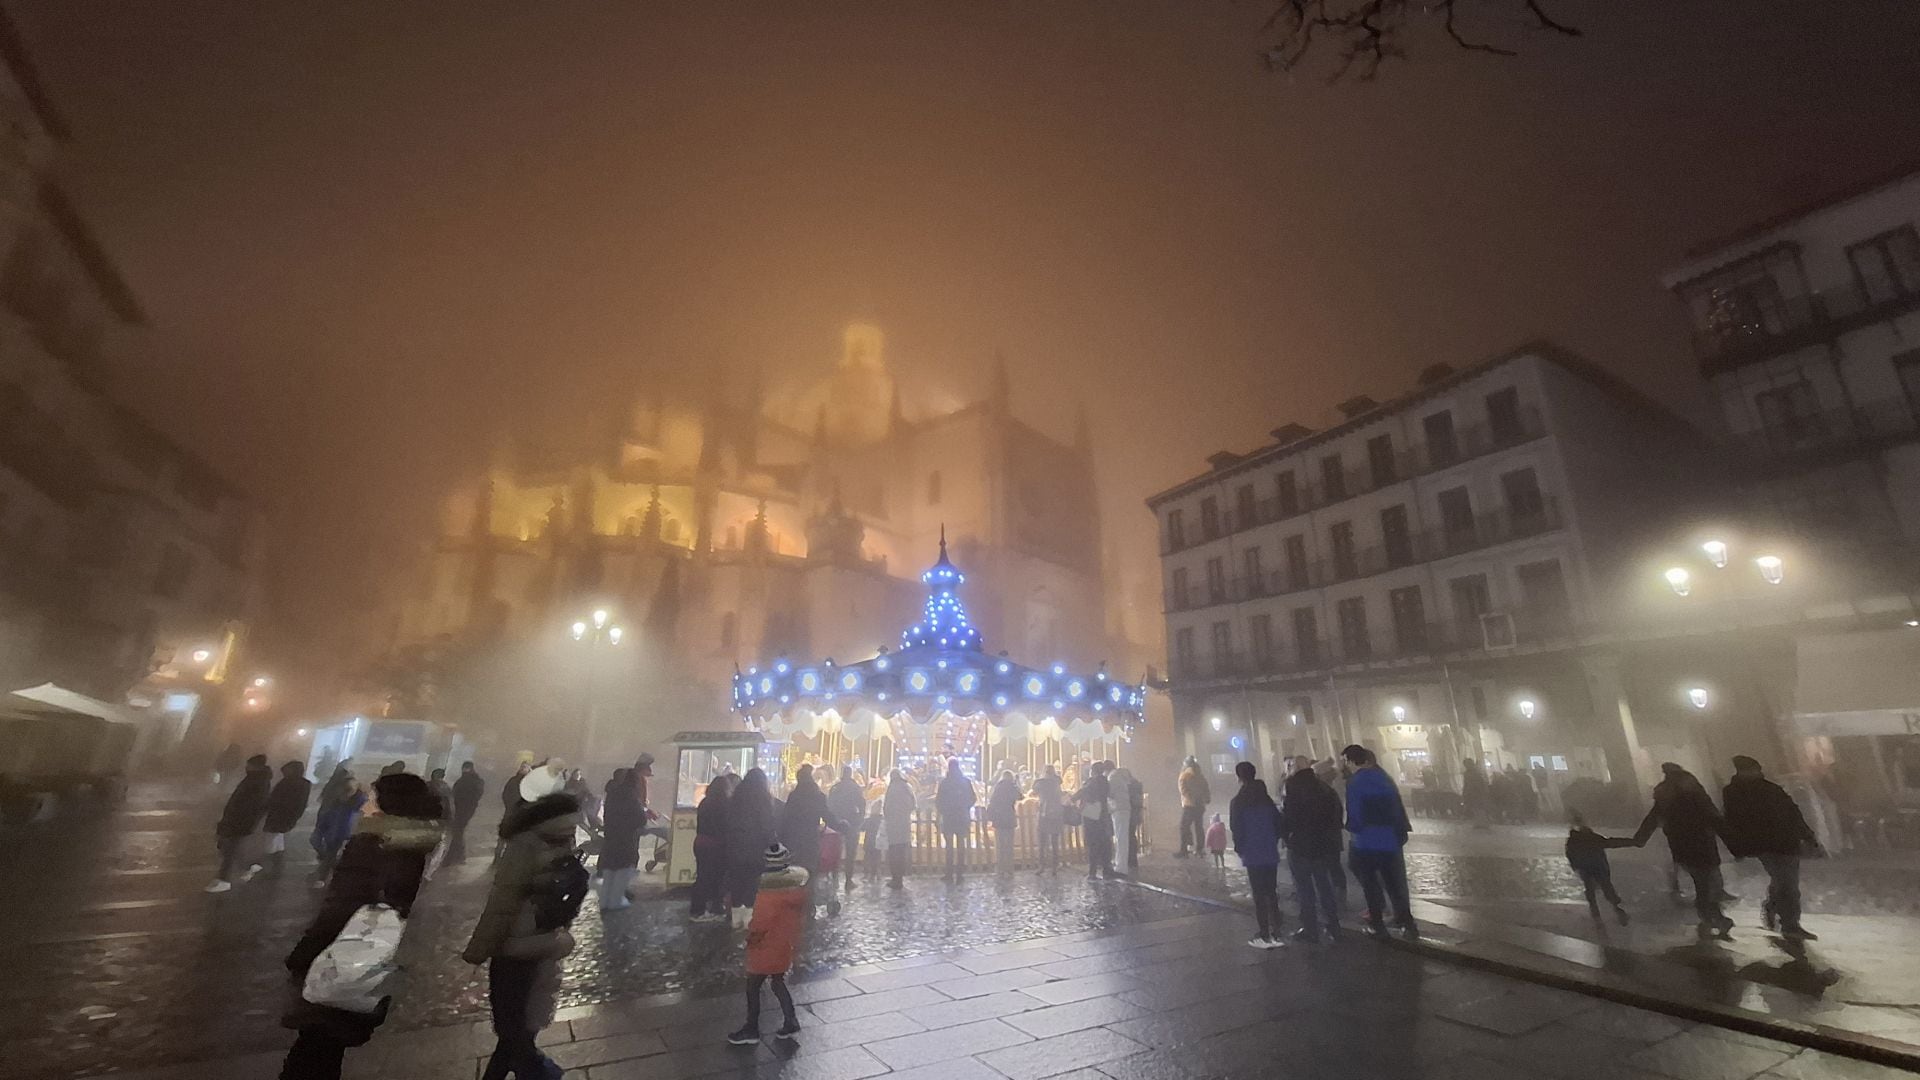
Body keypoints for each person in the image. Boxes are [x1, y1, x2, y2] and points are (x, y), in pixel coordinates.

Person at [279, 772, 444, 1080]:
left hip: (340, 955)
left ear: (387, 805)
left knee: (311, 1051)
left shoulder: (371, 844)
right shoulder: (411, 845)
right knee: (327, 1047)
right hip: (372, 957)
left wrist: (304, 954)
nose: (365, 805)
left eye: (371, 798)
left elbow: (339, 908)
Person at [463, 788, 586, 1080]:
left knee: (512, 1027)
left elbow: (503, 903)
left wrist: (478, 949)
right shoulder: (565, 839)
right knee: (520, 1028)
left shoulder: (525, 843)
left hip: (515, 943)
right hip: (546, 938)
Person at [1722, 755, 1822, 940]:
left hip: (1786, 842)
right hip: (1765, 844)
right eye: (1753, 769)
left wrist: (1809, 837)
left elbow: (1793, 813)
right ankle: (1790, 924)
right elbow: (1733, 822)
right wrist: (1737, 846)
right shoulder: (1734, 793)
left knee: (1784, 882)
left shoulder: (1770, 789)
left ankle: (1775, 910)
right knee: (1788, 884)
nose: (1757, 772)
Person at [1633, 762, 1734, 938]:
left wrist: (1640, 838)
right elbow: (1713, 815)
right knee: (1707, 883)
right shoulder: (1694, 791)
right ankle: (1714, 917)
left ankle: (1710, 917)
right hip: (1702, 843)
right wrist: (1733, 841)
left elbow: (1653, 817)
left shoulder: (1664, 794)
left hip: (1681, 845)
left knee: (1702, 883)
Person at [727, 842, 807, 1045]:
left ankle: (751, 1029)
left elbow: (760, 923)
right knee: (778, 982)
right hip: (784, 944)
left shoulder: (768, 895)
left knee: (753, 986)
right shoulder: (795, 891)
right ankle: (791, 1021)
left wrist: (750, 939)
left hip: (766, 947)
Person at [1343, 745, 1416, 940]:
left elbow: (1356, 813)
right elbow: (1396, 806)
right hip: (1390, 839)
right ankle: (1407, 923)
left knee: (1370, 884)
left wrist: (1352, 828)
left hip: (1366, 841)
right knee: (1395, 883)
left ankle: (1377, 923)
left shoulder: (1355, 782)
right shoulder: (1384, 778)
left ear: (1351, 761)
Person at [1281, 754, 1344, 943]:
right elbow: (1337, 812)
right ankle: (1333, 925)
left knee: (1304, 888)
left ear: (1295, 768)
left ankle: (1310, 927)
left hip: (1300, 845)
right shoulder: (1323, 787)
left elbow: (1288, 816)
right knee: (1324, 885)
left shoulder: (1292, 786)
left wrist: (1286, 835)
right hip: (1322, 845)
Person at [1229, 761, 1286, 949]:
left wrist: (1240, 847)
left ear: (1239, 777)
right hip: (1269, 849)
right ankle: (1277, 930)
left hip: (1252, 852)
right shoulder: (1266, 799)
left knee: (1259, 893)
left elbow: (1236, 829)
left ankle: (1264, 933)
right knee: (1271, 890)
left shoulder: (1238, 801)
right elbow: (1278, 823)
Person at [778, 763, 842, 912]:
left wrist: (782, 838)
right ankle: (808, 904)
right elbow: (827, 816)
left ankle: (798, 902)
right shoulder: (817, 795)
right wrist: (840, 825)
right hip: (810, 840)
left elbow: (786, 818)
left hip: (794, 840)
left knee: (796, 871)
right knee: (811, 872)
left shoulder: (794, 796)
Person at [209, 754, 273, 893]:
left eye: (249, 765)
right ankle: (247, 868)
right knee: (230, 848)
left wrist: (239, 820)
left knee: (230, 850)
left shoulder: (258, 782)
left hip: (240, 821)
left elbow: (252, 805)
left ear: (256, 766)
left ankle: (224, 880)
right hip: (236, 820)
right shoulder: (253, 778)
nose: (246, 767)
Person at [726, 768, 777, 927]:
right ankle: (748, 917)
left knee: (737, 880)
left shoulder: (736, 797)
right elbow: (766, 824)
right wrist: (773, 844)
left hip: (735, 846)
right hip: (755, 847)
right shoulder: (763, 799)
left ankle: (735, 918)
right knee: (751, 882)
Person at [1565, 811, 1633, 925]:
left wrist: (1575, 865)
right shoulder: (1592, 837)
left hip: (1585, 868)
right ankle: (1618, 911)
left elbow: (1570, 854)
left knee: (1590, 889)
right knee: (1607, 888)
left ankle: (1595, 913)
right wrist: (1631, 842)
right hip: (1599, 867)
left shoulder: (1573, 840)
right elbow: (1610, 842)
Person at [598, 768, 643, 912]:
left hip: (611, 836)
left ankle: (607, 896)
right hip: (626, 838)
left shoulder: (613, 793)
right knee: (623, 865)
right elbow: (640, 819)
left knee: (611, 866)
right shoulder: (631, 796)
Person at [691, 773, 735, 921]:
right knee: (717, 877)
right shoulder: (726, 804)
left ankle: (699, 909)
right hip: (716, 845)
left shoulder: (704, 802)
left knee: (703, 876)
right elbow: (726, 827)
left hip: (701, 842)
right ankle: (702, 911)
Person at [310, 770, 366, 886]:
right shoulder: (336, 803)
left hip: (339, 833)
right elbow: (326, 815)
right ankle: (334, 870)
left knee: (331, 854)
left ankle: (323, 877)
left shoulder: (352, 805)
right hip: (329, 831)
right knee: (325, 851)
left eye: (349, 790)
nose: (345, 793)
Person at [262, 761, 315, 876]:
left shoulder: (292, 783)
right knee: (277, 842)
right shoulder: (295, 783)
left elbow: (282, 800)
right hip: (282, 817)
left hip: (280, 817)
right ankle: (276, 868)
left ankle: (268, 867)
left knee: (270, 842)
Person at [826, 765, 867, 893]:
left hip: (836, 823)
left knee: (835, 852)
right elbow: (862, 804)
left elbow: (829, 805)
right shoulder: (855, 788)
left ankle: (834, 878)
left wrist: (832, 820)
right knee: (850, 853)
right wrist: (860, 818)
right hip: (851, 823)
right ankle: (848, 880)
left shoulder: (835, 788)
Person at [933, 759, 976, 882]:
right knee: (961, 845)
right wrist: (965, 806)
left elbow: (939, 800)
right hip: (962, 816)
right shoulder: (966, 782)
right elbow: (973, 798)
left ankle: (949, 872)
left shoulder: (945, 783)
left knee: (949, 847)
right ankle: (960, 873)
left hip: (949, 817)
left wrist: (943, 810)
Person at [634, 753, 672, 871]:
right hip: (638, 817)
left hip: (639, 815)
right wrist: (648, 812)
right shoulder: (639, 779)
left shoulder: (638, 778)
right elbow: (638, 802)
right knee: (660, 831)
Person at [1078, 761, 1115, 879]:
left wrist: (1072, 798)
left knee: (1093, 843)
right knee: (1105, 843)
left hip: (1092, 817)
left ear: (1092, 771)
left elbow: (1083, 792)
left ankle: (1092, 871)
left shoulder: (1092, 782)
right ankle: (1106, 869)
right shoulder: (1105, 782)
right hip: (1103, 815)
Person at [883, 769, 916, 889]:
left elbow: (886, 806)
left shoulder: (891, 788)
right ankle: (900, 877)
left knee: (894, 851)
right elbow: (913, 804)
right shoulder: (907, 787)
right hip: (904, 823)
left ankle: (895, 878)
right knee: (902, 851)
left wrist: (888, 817)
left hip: (893, 824)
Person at [448, 762, 485, 864]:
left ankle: (455, 856)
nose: (464, 770)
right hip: (465, 809)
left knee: (457, 832)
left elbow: (456, 793)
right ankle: (458, 856)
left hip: (463, 810)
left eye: (465, 768)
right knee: (458, 832)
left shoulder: (467, 781)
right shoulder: (476, 781)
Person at [1032, 764, 1064, 873]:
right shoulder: (1057, 782)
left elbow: (1034, 791)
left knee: (1042, 840)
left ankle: (1041, 865)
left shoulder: (1040, 782)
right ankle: (1055, 865)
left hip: (1044, 813)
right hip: (1056, 813)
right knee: (1054, 841)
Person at [987, 770, 1021, 873]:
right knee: (1009, 844)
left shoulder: (998, 787)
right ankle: (1009, 867)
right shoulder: (1012, 787)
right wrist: (1017, 783)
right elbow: (1020, 796)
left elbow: (992, 800)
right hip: (1009, 817)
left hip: (999, 818)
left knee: (1000, 844)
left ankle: (1000, 866)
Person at [1177, 756, 1212, 857]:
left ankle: (1184, 849)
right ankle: (1200, 849)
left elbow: (1183, 790)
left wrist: (1191, 799)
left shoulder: (1184, 775)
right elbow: (1206, 788)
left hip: (1189, 805)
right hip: (1200, 804)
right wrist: (1206, 798)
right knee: (1199, 827)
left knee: (1184, 827)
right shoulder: (1200, 775)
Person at [497, 761, 531, 859]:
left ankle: (508, 858)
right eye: (522, 767)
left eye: (525, 767)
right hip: (510, 812)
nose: (523, 769)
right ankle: (497, 857)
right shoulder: (513, 780)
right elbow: (505, 794)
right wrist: (509, 806)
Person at [1110, 764, 1140, 872]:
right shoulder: (1124, 780)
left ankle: (1122, 866)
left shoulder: (1113, 778)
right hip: (1128, 810)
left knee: (1122, 838)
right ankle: (1128, 862)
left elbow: (1110, 793)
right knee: (1126, 837)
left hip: (1120, 810)